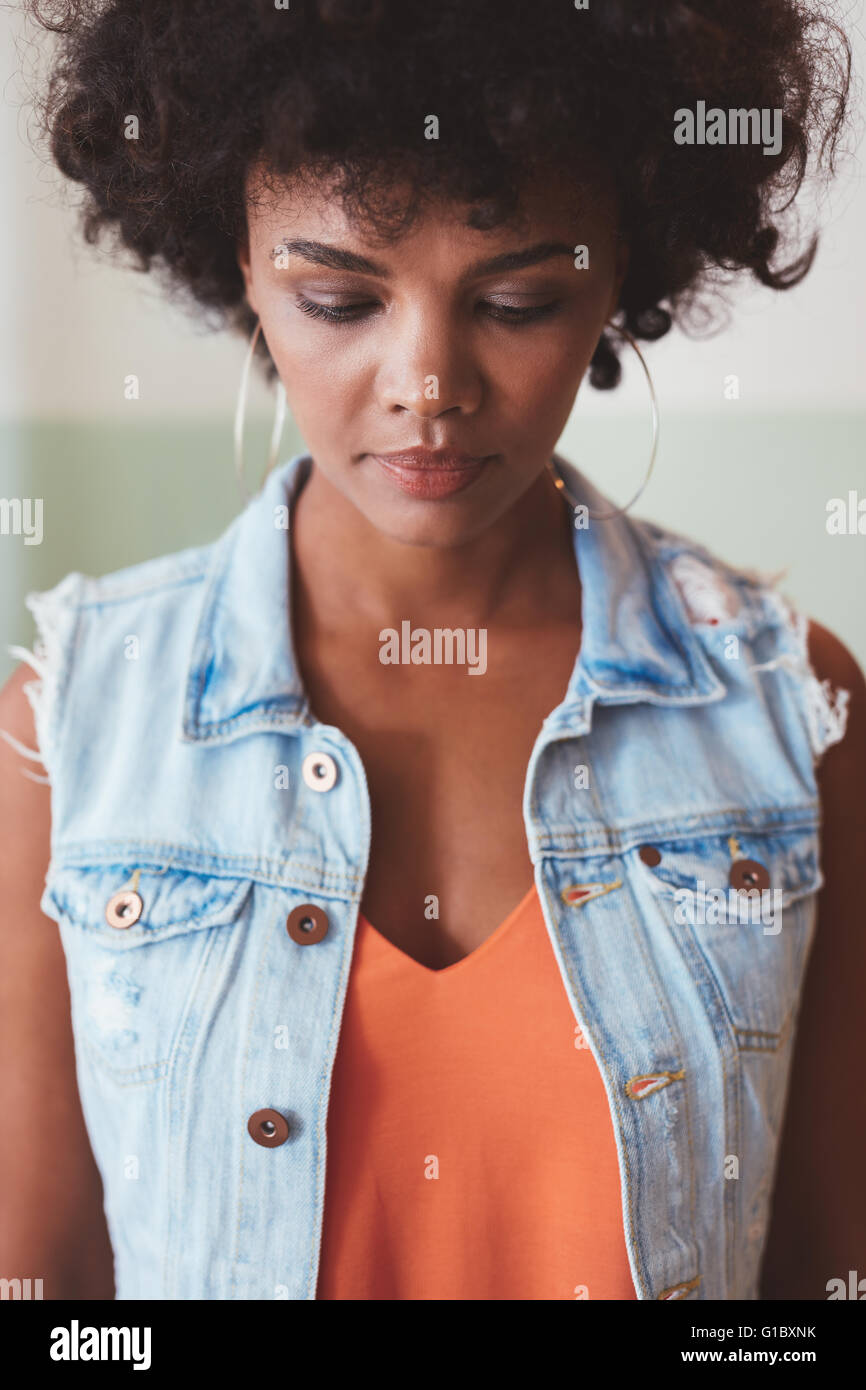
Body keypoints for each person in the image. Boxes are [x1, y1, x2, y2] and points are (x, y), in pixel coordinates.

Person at [0, 0, 863, 1301]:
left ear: (622, 269)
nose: (427, 383)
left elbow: (820, 1280)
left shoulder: (791, 707)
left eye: (517, 299)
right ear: (232, 255)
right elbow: (46, 1295)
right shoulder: (65, 730)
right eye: (338, 297)